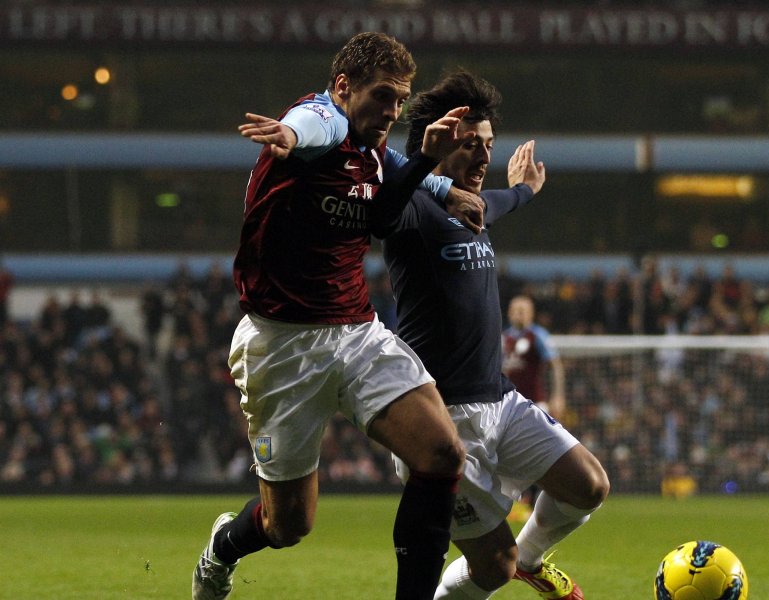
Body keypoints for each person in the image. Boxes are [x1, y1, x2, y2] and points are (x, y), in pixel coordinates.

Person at [192, 32, 480, 600]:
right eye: (382, 97)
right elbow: (312, 125)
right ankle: (221, 549)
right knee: (289, 526)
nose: (392, 112)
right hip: (282, 347)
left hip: (356, 332)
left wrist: (445, 189)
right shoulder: (317, 122)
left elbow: (393, 163)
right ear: (344, 87)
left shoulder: (372, 145)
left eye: (401, 101)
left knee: (443, 452)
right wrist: (288, 133)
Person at [381, 70, 609, 600]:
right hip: (442, 424)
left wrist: (526, 189)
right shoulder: (411, 208)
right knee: (493, 567)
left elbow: (500, 203)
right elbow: (383, 198)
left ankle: (530, 561)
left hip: (501, 401)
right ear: (436, 144)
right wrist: (418, 169)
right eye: (470, 145)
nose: (484, 157)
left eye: (488, 145)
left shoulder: (473, 208)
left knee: (589, 486)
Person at [502, 295, 567, 420]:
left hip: (535, 402)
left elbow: (555, 365)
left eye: (521, 311)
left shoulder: (538, 335)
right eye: (513, 311)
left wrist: (558, 395)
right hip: (508, 404)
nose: (516, 314)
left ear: (530, 314)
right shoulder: (504, 337)